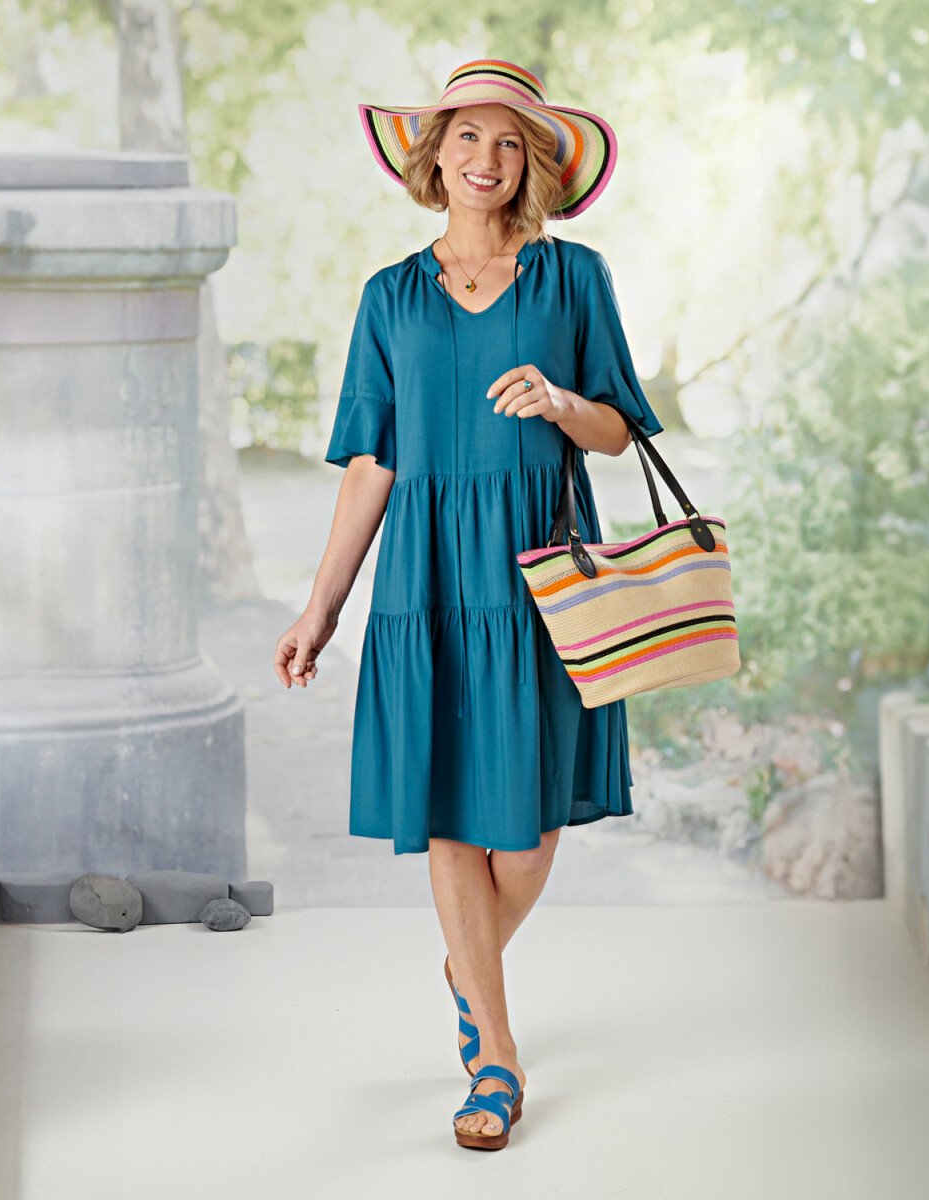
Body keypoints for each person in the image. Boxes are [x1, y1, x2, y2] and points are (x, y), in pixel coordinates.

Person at [273, 59, 664, 1150]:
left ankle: (465, 964)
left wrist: (563, 400)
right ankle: (495, 1059)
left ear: (532, 164)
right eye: (466, 137)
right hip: (428, 578)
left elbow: (618, 431)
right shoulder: (389, 297)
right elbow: (372, 464)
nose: (485, 159)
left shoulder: (573, 277)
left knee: (530, 834)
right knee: (451, 811)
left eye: (508, 143)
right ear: (434, 154)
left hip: (544, 571)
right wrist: (321, 608)